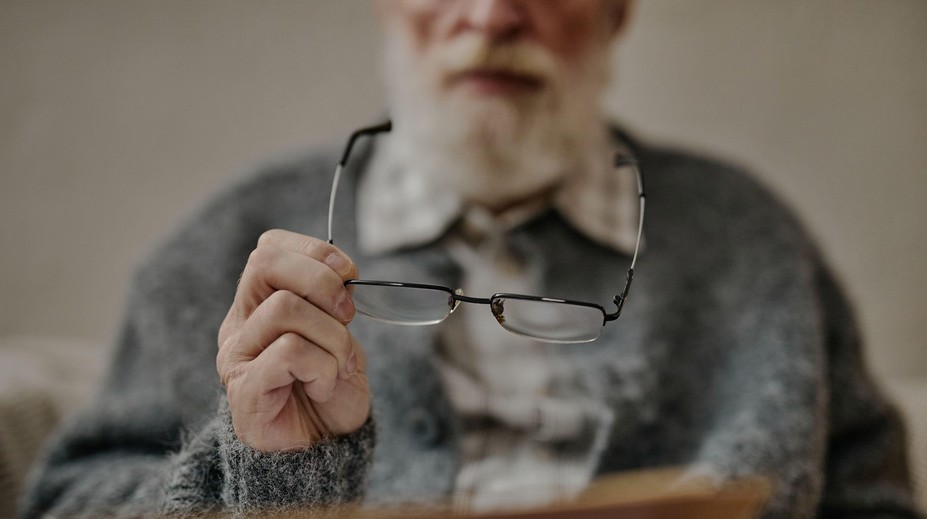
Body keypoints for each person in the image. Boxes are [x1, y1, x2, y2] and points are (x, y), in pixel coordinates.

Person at [20, 1, 922, 518]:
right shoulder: (229, 239)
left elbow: (868, 491)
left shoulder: (747, 234)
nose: (490, 14)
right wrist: (265, 477)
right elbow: (66, 499)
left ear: (615, 13)